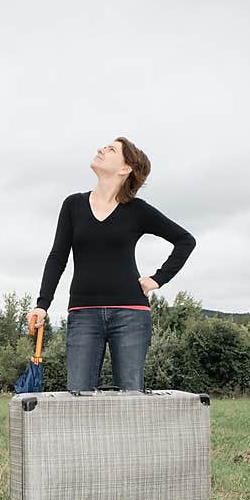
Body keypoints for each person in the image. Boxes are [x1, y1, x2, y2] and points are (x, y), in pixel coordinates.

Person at [26, 136, 196, 392]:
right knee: (78, 398)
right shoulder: (73, 205)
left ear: (125, 168)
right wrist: (42, 304)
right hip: (83, 314)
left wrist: (157, 279)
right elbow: (57, 257)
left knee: (130, 398)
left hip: (131, 314)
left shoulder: (138, 210)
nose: (101, 149)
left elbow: (185, 240)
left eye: (111, 149)